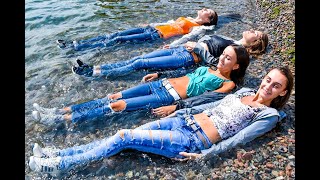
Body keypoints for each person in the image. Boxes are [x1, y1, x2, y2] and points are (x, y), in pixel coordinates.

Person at [28, 66, 294, 175]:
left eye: (276, 85)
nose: (268, 85)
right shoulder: (246, 91)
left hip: (193, 140)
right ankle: (58, 153)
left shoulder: (268, 115)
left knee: (124, 136)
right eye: (268, 79)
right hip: (182, 120)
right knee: (124, 134)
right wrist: (178, 111)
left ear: (283, 92)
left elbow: (240, 138)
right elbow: (215, 103)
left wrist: (207, 154)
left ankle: (59, 165)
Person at [31, 44, 250, 126]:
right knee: (113, 97)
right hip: (161, 83)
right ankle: (60, 111)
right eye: (223, 54)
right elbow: (186, 74)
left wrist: (176, 108)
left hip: (168, 97)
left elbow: (203, 101)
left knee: (118, 107)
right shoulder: (210, 67)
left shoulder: (228, 84)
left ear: (237, 66)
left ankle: (61, 120)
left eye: (228, 58)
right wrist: (159, 73)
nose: (222, 58)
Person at [71, 29, 268, 78]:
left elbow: (216, 63)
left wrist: (198, 47)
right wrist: (178, 44)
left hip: (189, 57)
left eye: (256, 33)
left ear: (256, 42)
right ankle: (94, 69)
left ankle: (92, 73)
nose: (252, 30)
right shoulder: (232, 40)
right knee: (138, 59)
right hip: (182, 50)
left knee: (140, 64)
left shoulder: (240, 53)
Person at [56, 8, 218, 51]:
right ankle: (76, 43)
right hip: (151, 28)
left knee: (118, 40)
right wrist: (150, 23)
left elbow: (184, 39)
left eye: (207, 12)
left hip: (156, 36)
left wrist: (173, 45)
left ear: (207, 20)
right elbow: (168, 21)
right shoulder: (188, 18)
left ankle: (78, 47)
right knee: (115, 34)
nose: (203, 9)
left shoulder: (198, 28)